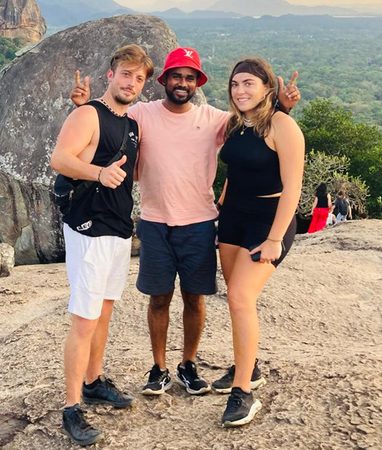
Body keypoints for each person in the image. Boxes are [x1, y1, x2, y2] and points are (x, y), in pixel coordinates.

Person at [70, 48, 300, 400]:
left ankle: (188, 364)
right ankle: (159, 367)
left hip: (200, 223)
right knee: (158, 298)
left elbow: (256, 131)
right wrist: (84, 108)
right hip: (155, 222)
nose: (182, 83)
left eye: (189, 77)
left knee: (195, 299)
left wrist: (281, 109)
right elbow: (109, 121)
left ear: (197, 83)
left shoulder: (215, 119)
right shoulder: (142, 114)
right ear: (163, 81)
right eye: (176, 76)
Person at [50, 44, 152, 446]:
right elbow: (60, 158)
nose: (131, 83)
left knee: (104, 311)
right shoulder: (88, 113)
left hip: (117, 228)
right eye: (126, 74)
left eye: (139, 78)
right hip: (88, 227)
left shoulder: (131, 125)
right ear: (111, 75)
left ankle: (94, 381)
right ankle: (72, 406)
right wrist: (97, 173)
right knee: (84, 318)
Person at [215, 57, 305, 427]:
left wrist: (273, 239)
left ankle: (244, 394)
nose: (241, 91)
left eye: (249, 83)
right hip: (233, 218)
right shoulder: (237, 123)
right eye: (236, 84)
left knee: (241, 296)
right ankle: (247, 369)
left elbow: (293, 188)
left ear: (267, 87)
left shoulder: (283, 126)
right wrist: (219, 210)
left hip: (268, 222)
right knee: (233, 297)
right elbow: (235, 172)